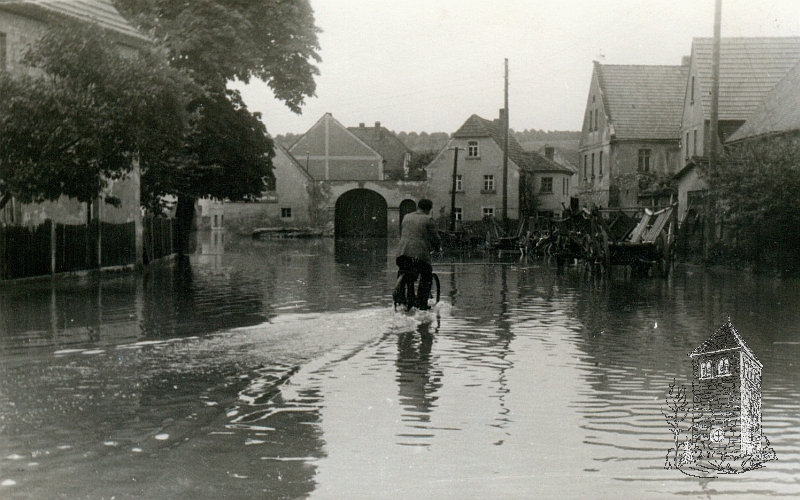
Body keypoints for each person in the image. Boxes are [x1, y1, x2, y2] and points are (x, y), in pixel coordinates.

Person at [394, 198, 441, 310]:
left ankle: (401, 298)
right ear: (429, 209)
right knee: (426, 275)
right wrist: (438, 248)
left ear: (418, 207)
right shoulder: (428, 219)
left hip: (402, 253)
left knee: (404, 272)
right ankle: (422, 302)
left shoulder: (407, 217)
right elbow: (435, 238)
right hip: (419, 255)